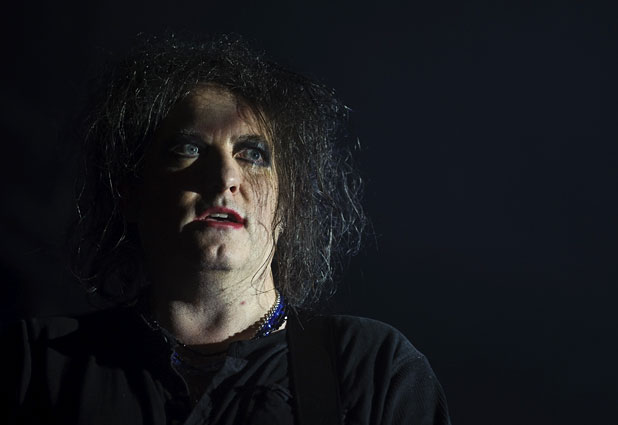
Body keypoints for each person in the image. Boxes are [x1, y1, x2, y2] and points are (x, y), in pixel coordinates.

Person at [4, 35, 451, 425]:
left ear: (288, 203)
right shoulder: (36, 362)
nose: (224, 178)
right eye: (188, 148)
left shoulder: (372, 368)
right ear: (131, 192)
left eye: (254, 154)